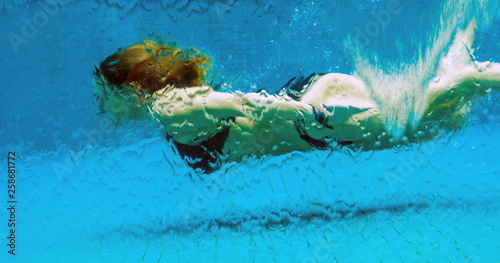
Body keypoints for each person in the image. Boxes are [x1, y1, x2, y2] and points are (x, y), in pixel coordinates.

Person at [93, 20, 500, 173]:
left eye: (104, 96)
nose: (102, 107)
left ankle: (474, 72)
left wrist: (316, 117)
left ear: (129, 89)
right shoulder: (168, 108)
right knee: (443, 118)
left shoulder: (168, 109)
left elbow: (245, 105)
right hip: (311, 102)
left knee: (415, 121)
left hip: (317, 116)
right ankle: (463, 39)